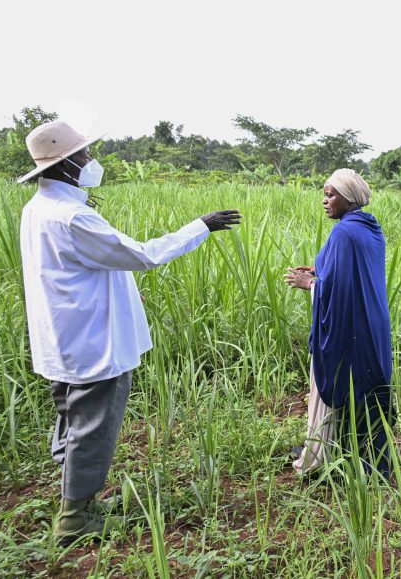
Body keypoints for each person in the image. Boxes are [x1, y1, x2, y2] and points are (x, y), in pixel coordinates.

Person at [16, 120, 241, 545]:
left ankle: (76, 501)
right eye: (82, 156)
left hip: (63, 340)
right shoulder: (72, 217)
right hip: (93, 343)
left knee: (72, 421)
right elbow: (142, 255)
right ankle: (73, 520)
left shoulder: (38, 209)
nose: (89, 161)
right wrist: (200, 227)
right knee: (92, 428)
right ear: (64, 166)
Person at [285, 168, 394, 479]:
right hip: (372, 321)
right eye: (325, 194)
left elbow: (339, 289)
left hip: (351, 326)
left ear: (348, 198)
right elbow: (351, 272)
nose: (325, 200)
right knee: (368, 386)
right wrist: (321, 268)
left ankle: (323, 453)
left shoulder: (343, 232)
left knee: (335, 382)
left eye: (330, 194)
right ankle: (365, 456)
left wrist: (310, 284)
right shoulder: (369, 227)